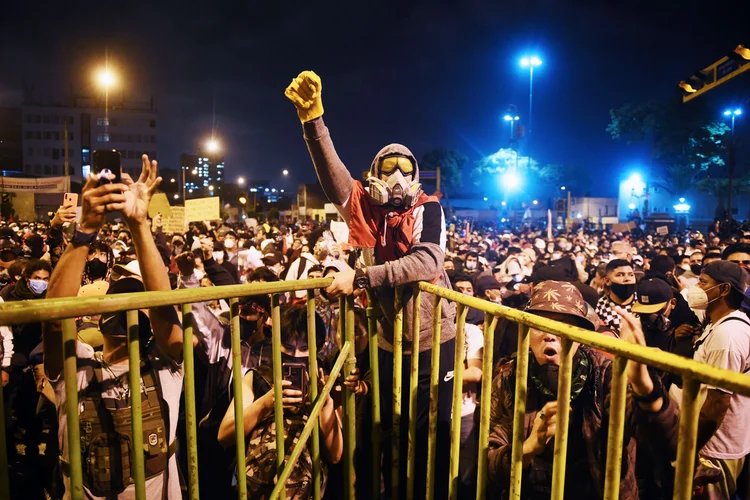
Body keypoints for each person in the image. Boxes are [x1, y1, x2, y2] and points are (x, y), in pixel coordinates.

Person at [286, 70, 456, 499]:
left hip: (434, 342)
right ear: (375, 175)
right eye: (388, 168)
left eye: (405, 169)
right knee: (378, 429)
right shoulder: (364, 206)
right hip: (385, 340)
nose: (397, 178)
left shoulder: (429, 210)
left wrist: (361, 277)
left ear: (416, 177)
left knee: (428, 436)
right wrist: (314, 123)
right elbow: (334, 179)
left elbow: (426, 261)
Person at [44, 155, 184, 499]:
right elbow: (52, 316)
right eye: (120, 301)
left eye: (139, 304)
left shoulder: (166, 370)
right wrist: (86, 229)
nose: (127, 312)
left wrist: (139, 225)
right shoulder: (76, 366)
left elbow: (164, 310)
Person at [488, 280, 679, 499]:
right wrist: (529, 447)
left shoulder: (606, 375)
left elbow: (667, 443)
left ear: (581, 335)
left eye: (563, 326)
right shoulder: (510, 377)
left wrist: (644, 386)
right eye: (539, 324)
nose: (550, 334)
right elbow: (492, 466)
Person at [217, 304, 342, 499]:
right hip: (259, 487)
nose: (296, 356)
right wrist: (266, 403)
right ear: (276, 345)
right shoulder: (258, 377)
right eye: (289, 347)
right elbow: (224, 434)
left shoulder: (324, 382)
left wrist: (325, 407)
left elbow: (335, 455)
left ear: (317, 348)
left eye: (305, 348)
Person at [684, 261, 750, 499]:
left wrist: (690, 448)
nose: (696, 288)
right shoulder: (720, 325)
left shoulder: (728, 335)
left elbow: (717, 403)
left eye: (703, 282)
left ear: (723, 290)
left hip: (715, 449)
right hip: (714, 445)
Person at [595, 259, 637, 335]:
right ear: (607, 281)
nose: (627, 279)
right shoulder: (600, 306)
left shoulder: (643, 301)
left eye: (631, 274)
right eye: (620, 275)